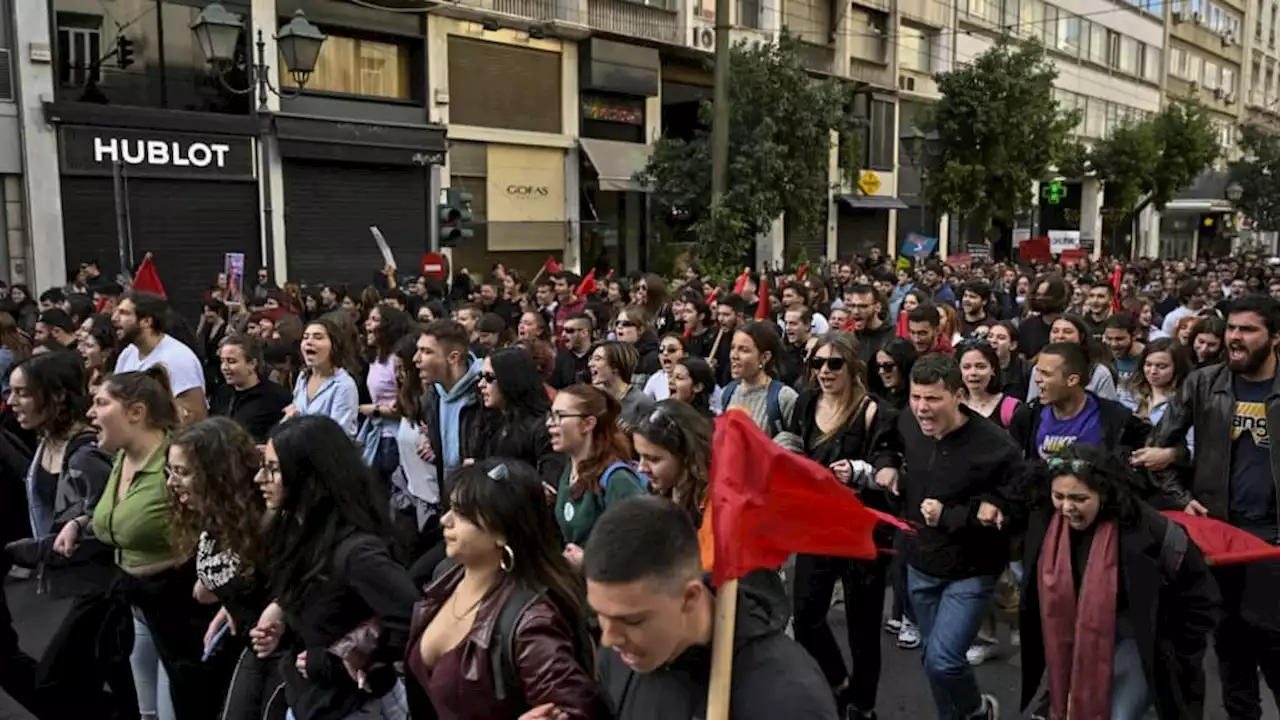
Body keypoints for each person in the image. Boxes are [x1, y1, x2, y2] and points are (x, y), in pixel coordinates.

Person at [1137, 295, 1280, 720]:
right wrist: (1183, 497)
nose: (1234, 338)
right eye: (1231, 328)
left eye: (1248, 330)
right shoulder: (1204, 382)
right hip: (1218, 537)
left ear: (1275, 338)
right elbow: (1155, 449)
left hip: (1272, 542)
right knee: (1230, 644)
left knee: (1272, 644)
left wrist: (1178, 458)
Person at [583, 496, 838, 719]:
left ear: (689, 598)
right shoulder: (622, 653)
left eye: (632, 621)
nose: (609, 638)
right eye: (600, 615)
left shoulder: (787, 700)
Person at [1020, 444, 1219, 720]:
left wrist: (1180, 653)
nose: (1066, 508)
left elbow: (1200, 596)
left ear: (1103, 493)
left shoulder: (1149, 530)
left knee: (1120, 715)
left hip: (1139, 638)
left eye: (1079, 498)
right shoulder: (1044, 523)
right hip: (1077, 636)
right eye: (1059, 496)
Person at [249, 415, 418, 720]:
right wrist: (284, 613)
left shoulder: (358, 552)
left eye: (273, 469)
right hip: (311, 701)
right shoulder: (299, 532)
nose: (260, 479)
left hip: (354, 707)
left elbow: (413, 617)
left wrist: (341, 659)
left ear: (307, 477)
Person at [886, 352, 1024, 720]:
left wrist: (953, 515)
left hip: (972, 570)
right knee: (934, 659)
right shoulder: (908, 423)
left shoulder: (996, 446)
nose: (922, 408)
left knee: (944, 661)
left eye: (933, 398)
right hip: (921, 564)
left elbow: (1018, 504)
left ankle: (978, 712)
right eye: (916, 397)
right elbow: (886, 443)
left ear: (958, 395)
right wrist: (885, 467)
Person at [404, 459, 600, 719]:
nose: (445, 520)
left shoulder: (531, 622)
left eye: (461, 513)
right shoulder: (447, 575)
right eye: (449, 508)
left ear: (502, 530)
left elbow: (577, 709)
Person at [89, 368, 228, 720]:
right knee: (145, 710)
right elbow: (115, 518)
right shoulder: (123, 456)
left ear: (136, 413)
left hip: (180, 608)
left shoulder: (179, 464)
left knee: (180, 708)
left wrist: (218, 580)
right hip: (136, 604)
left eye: (101, 403)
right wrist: (78, 524)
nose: (90, 412)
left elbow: (226, 520)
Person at [3, 352, 128, 718]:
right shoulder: (47, 443)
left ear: (54, 395)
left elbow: (106, 523)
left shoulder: (85, 454)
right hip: (78, 587)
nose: (12, 402)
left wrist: (29, 550)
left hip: (102, 590)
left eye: (22, 393)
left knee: (61, 685)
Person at [785, 333, 899, 719]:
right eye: (818, 363)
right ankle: (840, 685)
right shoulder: (806, 402)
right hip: (817, 525)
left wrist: (861, 471)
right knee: (805, 618)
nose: (825, 372)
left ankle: (863, 706)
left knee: (862, 629)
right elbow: (799, 448)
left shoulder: (874, 412)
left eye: (834, 363)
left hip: (861, 530)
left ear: (853, 366)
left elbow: (888, 463)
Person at [166, 418, 279, 720]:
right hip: (252, 647)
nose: (171, 483)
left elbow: (308, 582)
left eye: (183, 472)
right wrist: (230, 601)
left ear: (217, 474)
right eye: (171, 471)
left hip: (289, 653)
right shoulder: (219, 517)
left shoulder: (267, 522)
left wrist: (273, 606)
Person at [548, 384, 647, 568]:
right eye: (551, 415)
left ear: (588, 424)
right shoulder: (569, 469)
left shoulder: (617, 479)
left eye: (560, 416)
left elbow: (640, 545)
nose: (550, 423)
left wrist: (588, 562)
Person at [112, 292, 207, 423]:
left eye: (124, 313)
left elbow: (196, 415)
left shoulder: (178, 358)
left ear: (146, 321)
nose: (114, 318)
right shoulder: (127, 354)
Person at [631, 400, 712, 528]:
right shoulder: (659, 492)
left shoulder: (712, 507)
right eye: (639, 456)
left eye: (653, 459)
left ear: (685, 456)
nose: (641, 468)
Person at [209, 336, 291, 443]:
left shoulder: (276, 398)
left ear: (252, 364)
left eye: (231, 361)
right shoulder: (221, 393)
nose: (224, 367)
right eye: (222, 361)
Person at [288, 318, 360, 437]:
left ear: (334, 345)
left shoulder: (343, 385)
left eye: (318, 337)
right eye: (305, 337)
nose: (309, 341)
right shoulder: (302, 377)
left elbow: (338, 435)